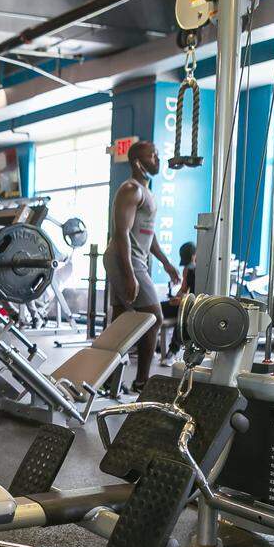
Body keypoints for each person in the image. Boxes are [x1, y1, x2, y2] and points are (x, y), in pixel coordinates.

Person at [103, 140, 180, 392]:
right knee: (154, 318)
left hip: (134, 258)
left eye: (157, 154)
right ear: (137, 161)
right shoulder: (130, 189)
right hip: (125, 259)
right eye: (152, 155)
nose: (157, 159)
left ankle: (108, 377)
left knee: (120, 321)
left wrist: (166, 263)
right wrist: (129, 275)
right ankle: (142, 382)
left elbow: (149, 234)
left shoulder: (146, 192)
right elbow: (121, 232)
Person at [161, 242, 197, 366]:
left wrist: (182, 301)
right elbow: (183, 289)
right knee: (157, 308)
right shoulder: (188, 269)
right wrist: (177, 298)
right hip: (184, 303)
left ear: (194, 256)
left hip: (194, 306)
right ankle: (146, 343)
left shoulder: (202, 270)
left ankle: (172, 352)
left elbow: (200, 296)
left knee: (181, 319)